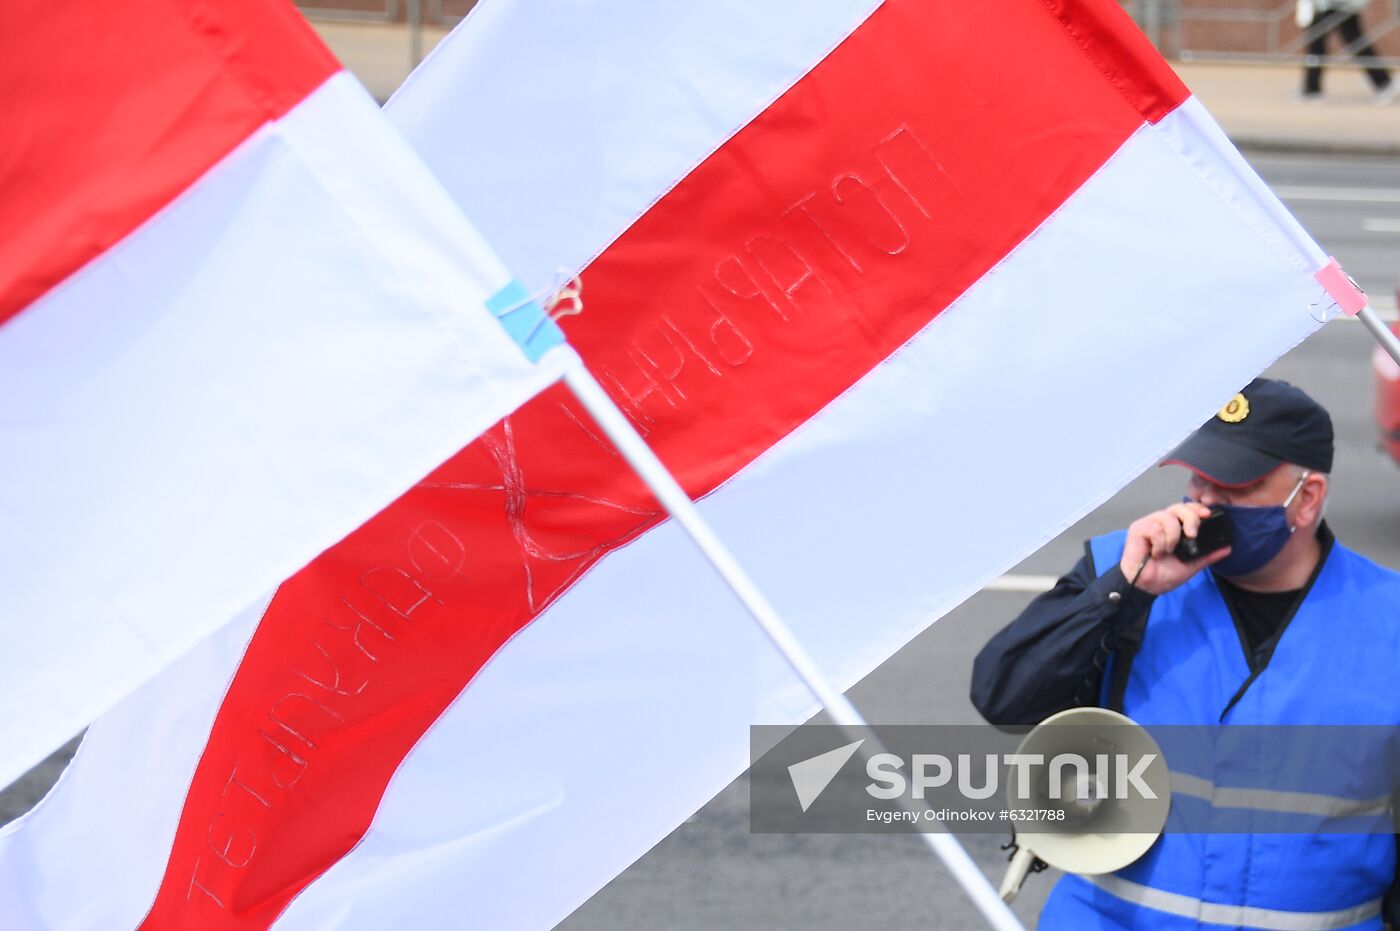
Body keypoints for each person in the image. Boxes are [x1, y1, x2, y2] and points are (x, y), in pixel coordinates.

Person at [971, 378, 1400, 930]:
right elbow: (1003, 696)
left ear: (1307, 498)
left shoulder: (1387, 619)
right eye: (1200, 479)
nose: (1204, 504)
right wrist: (1124, 592)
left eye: (1236, 486)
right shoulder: (1119, 570)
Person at [1296, 0, 1396, 104]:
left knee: (1354, 41)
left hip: (1341, 5)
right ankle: (1311, 87)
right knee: (1316, 43)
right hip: (1324, 5)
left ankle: (1384, 82)